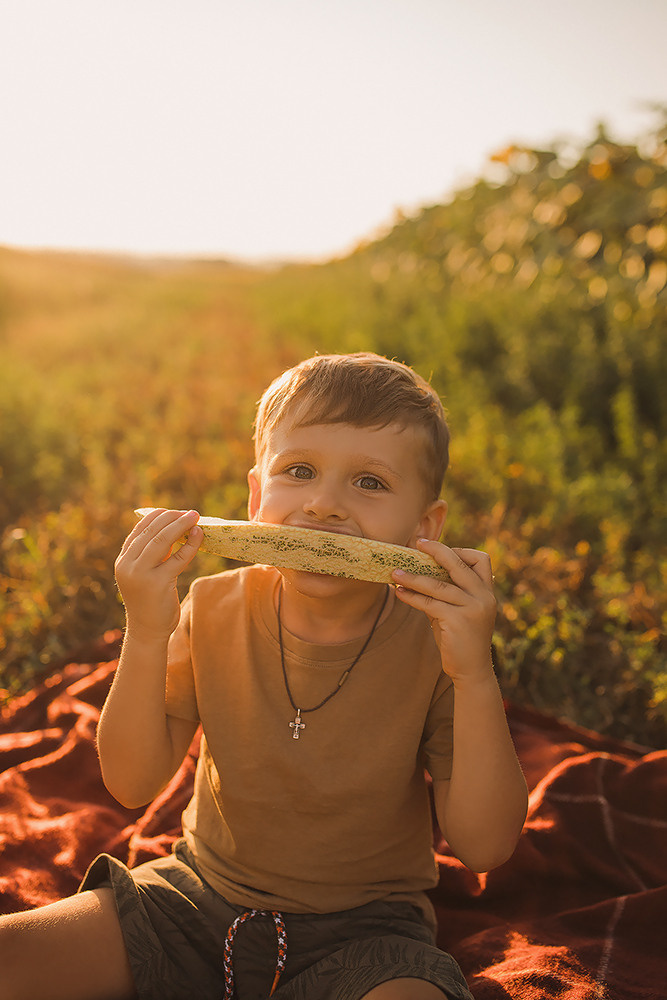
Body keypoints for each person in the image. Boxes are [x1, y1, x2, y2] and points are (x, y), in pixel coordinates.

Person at [0, 352, 528, 1000]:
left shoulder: (436, 644)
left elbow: (484, 846)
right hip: (196, 901)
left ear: (424, 527)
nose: (324, 506)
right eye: (298, 471)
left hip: (366, 931)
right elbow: (131, 784)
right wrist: (146, 630)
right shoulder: (212, 608)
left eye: (369, 482)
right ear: (256, 496)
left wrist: (474, 676)